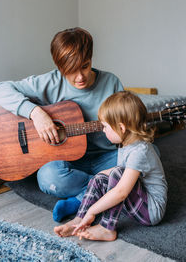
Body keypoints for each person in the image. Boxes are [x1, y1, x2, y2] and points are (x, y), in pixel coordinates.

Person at [0, 27, 124, 221]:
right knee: (48, 178)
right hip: (66, 164)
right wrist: (35, 113)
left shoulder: (111, 83)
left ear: (91, 58)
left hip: (106, 157)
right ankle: (111, 188)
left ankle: (80, 198)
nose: (80, 77)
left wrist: (124, 133)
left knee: (148, 154)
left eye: (85, 66)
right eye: (71, 71)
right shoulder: (49, 82)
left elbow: (128, 131)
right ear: (59, 67)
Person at [54, 91, 168, 241]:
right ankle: (78, 221)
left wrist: (93, 211)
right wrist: (98, 179)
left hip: (151, 210)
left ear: (121, 128)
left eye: (105, 126)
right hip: (138, 200)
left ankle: (107, 228)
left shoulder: (140, 151)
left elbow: (121, 192)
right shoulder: (125, 144)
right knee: (100, 177)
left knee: (116, 174)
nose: (103, 130)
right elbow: (112, 177)